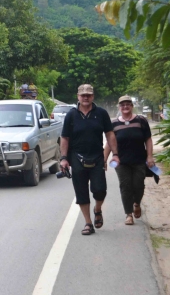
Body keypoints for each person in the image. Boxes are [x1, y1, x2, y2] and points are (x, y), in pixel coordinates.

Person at [59, 84, 119, 235]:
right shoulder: (71, 115)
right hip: (77, 157)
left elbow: (110, 134)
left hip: (97, 157)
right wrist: (64, 158)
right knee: (81, 192)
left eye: (89, 95)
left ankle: (97, 209)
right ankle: (88, 223)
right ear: (78, 96)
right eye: (83, 95)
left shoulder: (101, 113)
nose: (86, 97)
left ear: (93, 96)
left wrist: (115, 154)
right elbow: (65, 138)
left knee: (100, 190)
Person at [103, 95, 155, 225]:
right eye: (122, 105)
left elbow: (148, 139)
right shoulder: (114, 123)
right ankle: (128, 214)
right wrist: (103, 159)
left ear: (132, 106)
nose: (125, 107)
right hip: (121, 161)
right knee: (125, 186)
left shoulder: (141, 120)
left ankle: (137, 203)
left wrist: (149, 156)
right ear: (119, 107)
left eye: (128, 104)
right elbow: (109, 142)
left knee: (138, 185)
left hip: (139, 160)